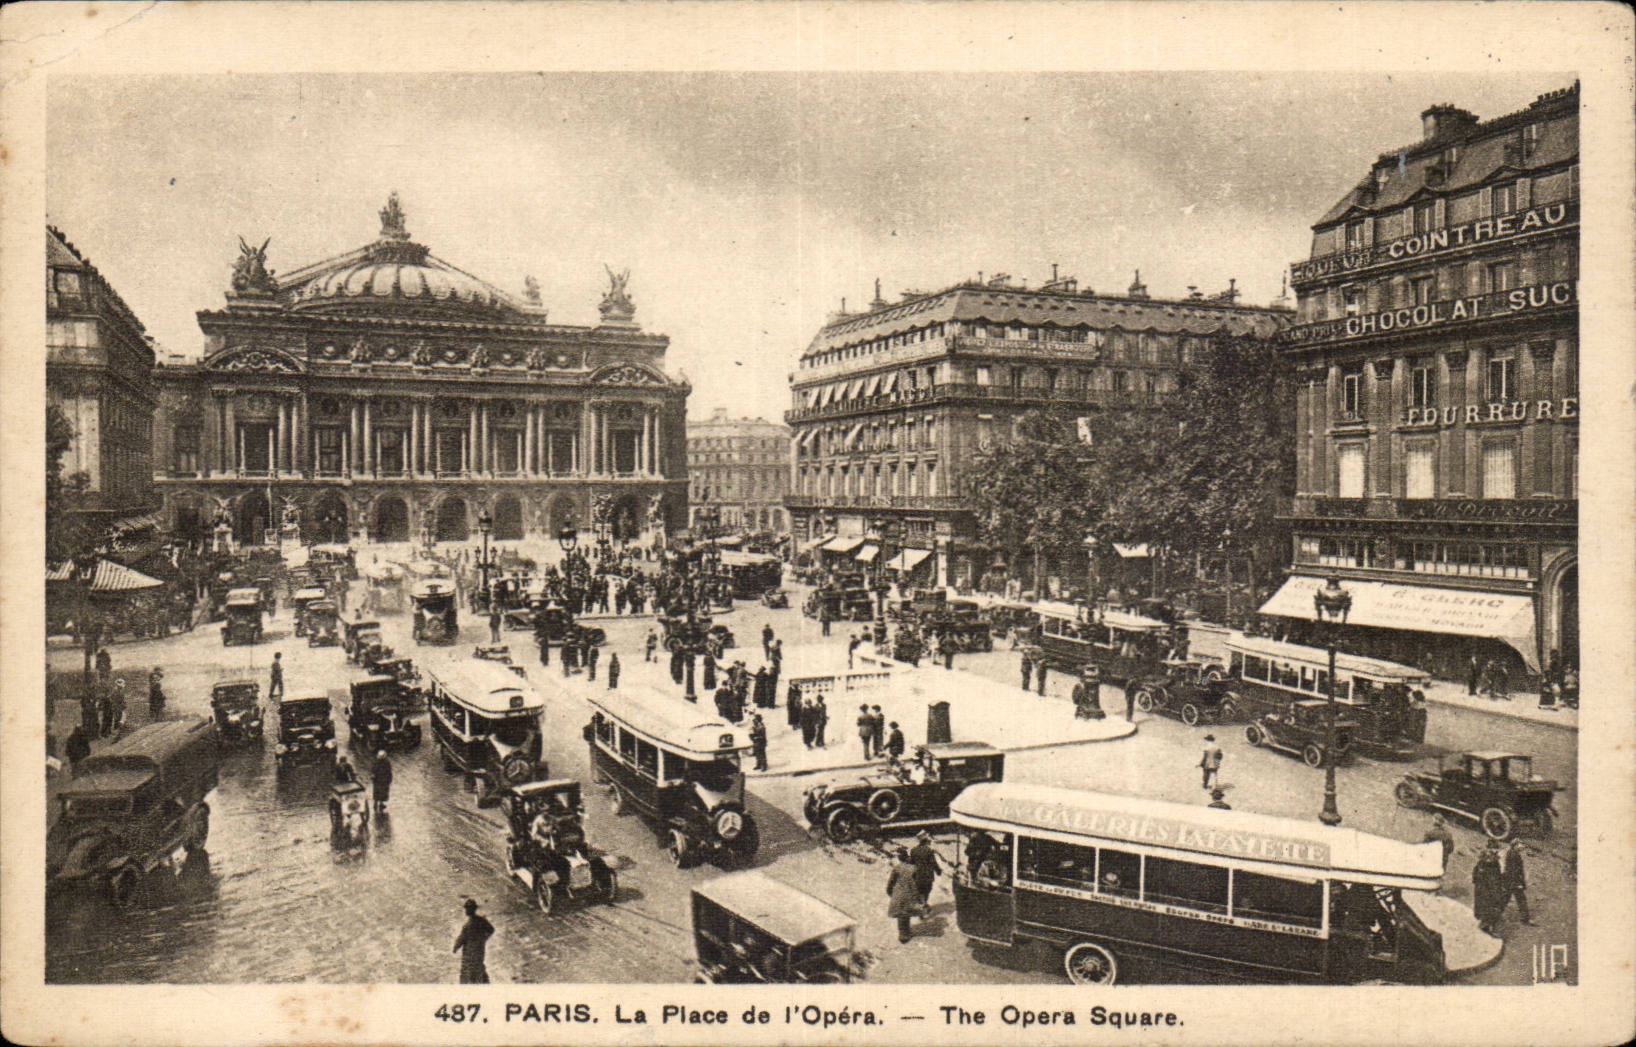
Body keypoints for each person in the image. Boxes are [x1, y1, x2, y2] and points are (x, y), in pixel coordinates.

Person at [453, 899, 495, 983]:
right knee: (478, 968)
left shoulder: (469, 925)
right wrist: (483, 939)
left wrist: (456, 947)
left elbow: (462, 937)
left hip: (470, 952)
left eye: (468, 908)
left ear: (472, 909)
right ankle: (484, 983)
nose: (466, 910)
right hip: (479, 950)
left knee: (470, 971)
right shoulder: (481, 920)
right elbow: (491, 930)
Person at [887, 847, 921, 944]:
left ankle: (903, 934)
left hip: (899, 892)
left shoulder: (897, 868)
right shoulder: (913, 868)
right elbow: (917, 881)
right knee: (906, 912)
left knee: (901, 913)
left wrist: (890, 891)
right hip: (909, 892)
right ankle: (906, 932)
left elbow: (891, 882)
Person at [1472, 840, 1504, 934]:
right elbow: (1491, 876)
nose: (1496, 850)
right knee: (1490, 906)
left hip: (1485, 887)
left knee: (1487, 907)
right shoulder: (1490, 861)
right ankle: (1487, 927)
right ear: (1490, 848)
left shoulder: (1486, 860)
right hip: (1488, 888)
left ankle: (1487, 925)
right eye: (1494, 848)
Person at [1501, 838, 1533, 925]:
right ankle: (1525, 919)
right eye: (1521, 844)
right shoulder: (1513, 855)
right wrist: (1518, 883)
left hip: (1510, 881)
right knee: (1521, 899)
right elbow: (1513, 871)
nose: (1523, 847)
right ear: (1515, 845)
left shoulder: (1513, 853)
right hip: (1513, 882)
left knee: (1505, 898)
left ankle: (1494, 915)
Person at [909, 830, 943, 910]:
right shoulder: (928, 851)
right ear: (926, 841)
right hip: (927, 876)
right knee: (926, 891)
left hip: (917, 876)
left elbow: (911, 863)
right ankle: (923, 906)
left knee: (920, 891)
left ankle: (922, 905)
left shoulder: (913, 850)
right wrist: (938, 871)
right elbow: (933, 863)